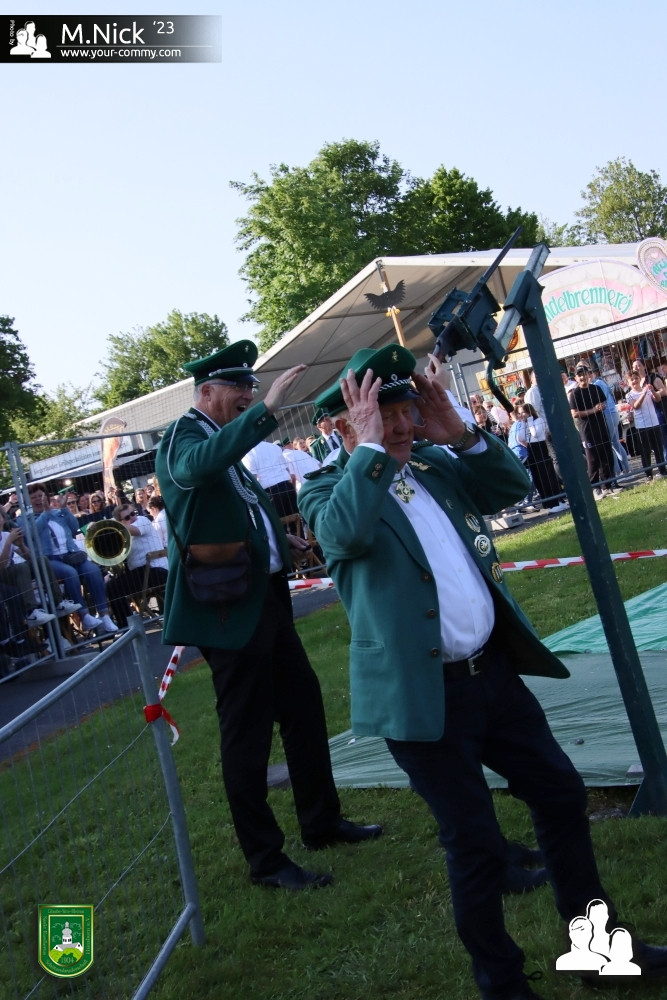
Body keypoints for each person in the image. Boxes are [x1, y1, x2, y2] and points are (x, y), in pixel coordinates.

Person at [298, 343, 667, 1000]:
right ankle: (502, 985)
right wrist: (370, 450)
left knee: (559, 795)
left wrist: (463, 434)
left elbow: (510, 487)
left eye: (406, 409)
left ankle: (597, 952)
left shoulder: (434, 465)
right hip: (422, 697)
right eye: (385, 414)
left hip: (491, 676)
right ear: (346, 424)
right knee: (472, 841)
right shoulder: (329, 487)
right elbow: (343, 535)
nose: (403, 424)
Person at [155, 341, 381, 891]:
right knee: (247, 733)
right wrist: (268, 409)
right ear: (207, 391)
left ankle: (321, 822)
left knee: (302, 707)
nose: (248, 395)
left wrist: (280, 540)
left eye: (252, 389)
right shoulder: (185, 436)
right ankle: (266, 861)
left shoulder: (218, 435)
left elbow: (243, 502)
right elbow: (195, 470)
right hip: (228, 608)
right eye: (239, 389)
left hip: (262, 596)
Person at [19, 485, 116, 635]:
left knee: (93, 570)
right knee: (70, 573)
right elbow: (31, 534)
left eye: (41, 496)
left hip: (70, 554)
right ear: (28, 501)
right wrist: (45, 514)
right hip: (49, 559)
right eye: (34, 497)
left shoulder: (57, 513)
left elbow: (74, 526)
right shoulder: (24, 519)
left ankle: (104, 614)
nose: (38, 499)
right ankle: (84, 615)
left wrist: (64, 509)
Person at [104, 504, 168, 629]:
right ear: (121, 521)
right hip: (142, 574)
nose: (132, 517)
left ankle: (127, 627)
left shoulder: (142, 520)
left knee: (113, 588)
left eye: (133, 513)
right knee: (112, 586)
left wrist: (112, 525)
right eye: (127, 517)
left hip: (156, 571)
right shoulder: (123, 534)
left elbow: (135, 530)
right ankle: (128, 625)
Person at [567, 362, 615, 499]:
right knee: (592, 460)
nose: (583, 377)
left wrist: (601, 406)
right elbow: (574, 413)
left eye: (584, 374)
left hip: (601, 425)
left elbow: (604, 402)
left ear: (589, 375)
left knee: (606, 455)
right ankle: (595, 488)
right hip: (587, 429)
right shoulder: (575, 394)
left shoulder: (596, 388)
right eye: (580, 375)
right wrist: (593, 410)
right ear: (576, 378)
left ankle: (607, 485)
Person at [521, 403, 568, 513]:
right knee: (538, 478)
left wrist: (530, 421)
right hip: (531, 450)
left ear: (529, 411)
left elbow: (535, 434)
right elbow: (520, 437)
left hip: (540, 448)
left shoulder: (538, 420)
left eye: (523, 412)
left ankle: (557, 501)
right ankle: (548, 503)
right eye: (520, 413)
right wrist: (523, 424)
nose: (521, 415)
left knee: (547, 476)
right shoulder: (525, 423)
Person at [624, 370, 666, 480]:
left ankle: (662, 470)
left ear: (639, 379)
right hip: (642, 426)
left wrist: (653, 391)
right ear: (628, 383)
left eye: (636, 378)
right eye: (632, 379)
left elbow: (657, 399)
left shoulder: (646, 389)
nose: (634, 381)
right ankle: (648, 474)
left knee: (658, 448)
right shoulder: (629, 395)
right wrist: (643, 393)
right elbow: (636, 406)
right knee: (645, 451)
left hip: (654, 423)